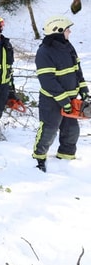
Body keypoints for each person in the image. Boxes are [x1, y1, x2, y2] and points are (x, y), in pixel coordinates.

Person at [32, 16, 89, 172]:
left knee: (71, 131)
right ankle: (39, 157)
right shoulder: (44, 52)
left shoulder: (68, 46)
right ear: (58, 31)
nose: (69, 31)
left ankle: (65, 157)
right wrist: (63, 101)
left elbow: (77, 70)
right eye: (66, 29)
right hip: (51, 100)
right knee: (49, 129)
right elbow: (47, 80)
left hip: (70, 98)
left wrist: (84, 89)